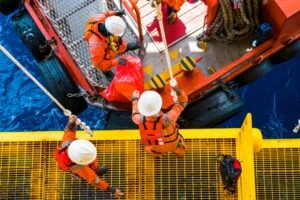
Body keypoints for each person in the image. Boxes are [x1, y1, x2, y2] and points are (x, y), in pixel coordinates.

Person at [54, 115, 123, 198]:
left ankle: (91, 170)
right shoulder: (81, 168)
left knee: (87, 170)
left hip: (73, 163)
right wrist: (113, 190)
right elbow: (96, 181)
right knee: (89, 174)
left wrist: (71, 123)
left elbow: (69, 131)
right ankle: (87, 172)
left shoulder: (67, 143)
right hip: (79, 169)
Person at [131, 79, 188, 158]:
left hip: (156, 147)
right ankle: (180, 153)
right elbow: (183, 102)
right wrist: (176, 88)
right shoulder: (169, 117)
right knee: (179, 143)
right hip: (173, 144)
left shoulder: (138, 119)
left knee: (149, 148)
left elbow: (135, 113)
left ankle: (157, 156)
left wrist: (135, 99)